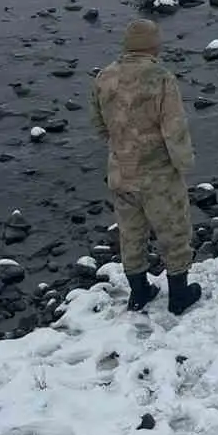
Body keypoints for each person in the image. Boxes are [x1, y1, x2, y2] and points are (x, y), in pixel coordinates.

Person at [90, 19, 202, 315]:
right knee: (174, 231)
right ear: (153, 45)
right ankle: (179, 295)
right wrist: (183, 163)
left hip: (121, 172)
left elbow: (99, 125)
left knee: (130, 233)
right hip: (158, 174)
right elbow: (174, 128)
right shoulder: (161, 77)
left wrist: (121, 146)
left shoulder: (104, 76)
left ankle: (139, 293)